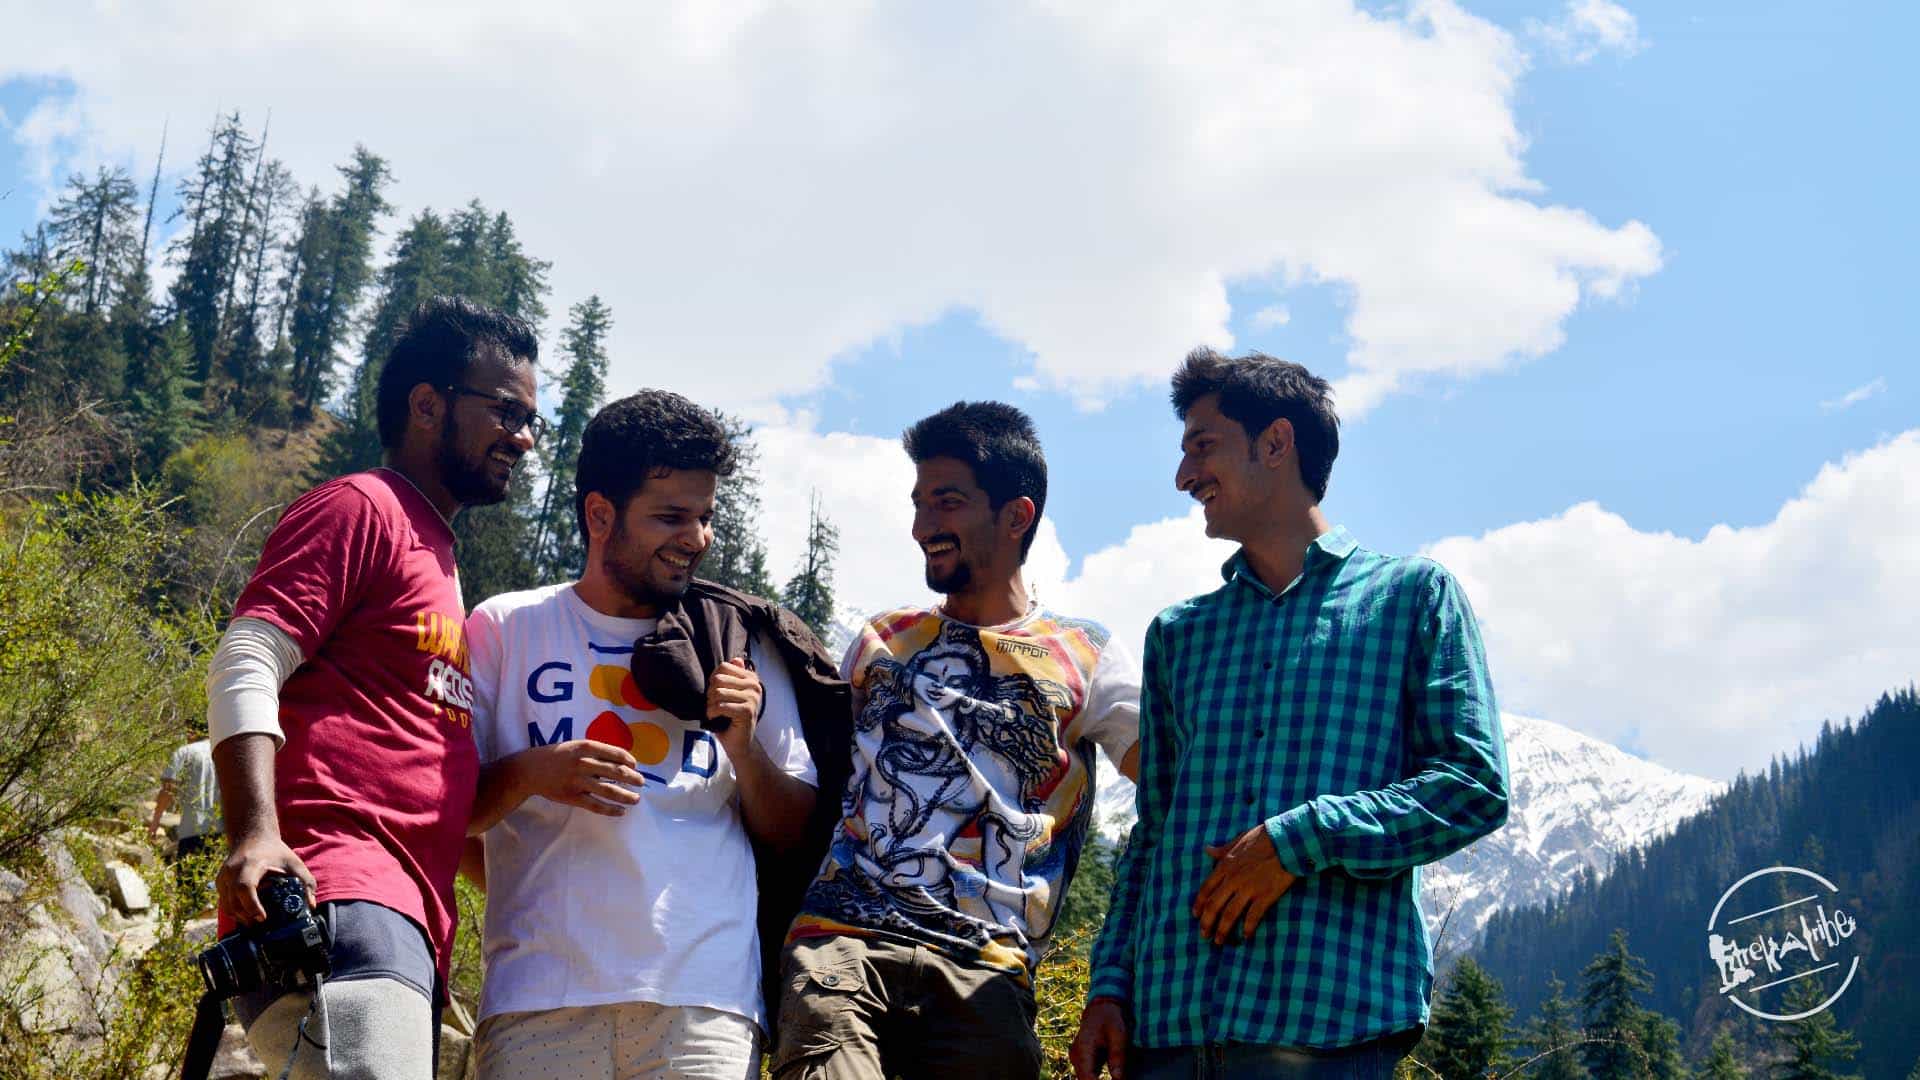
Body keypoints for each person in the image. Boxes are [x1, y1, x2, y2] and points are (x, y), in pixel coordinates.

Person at [1070, 349, 1510, 1080]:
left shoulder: (1411, 597)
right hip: (1164, 1036)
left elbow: (1473, 785)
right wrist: (1110, 987)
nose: (1183, 477)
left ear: (1276, 443)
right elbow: (1155, 833)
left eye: (1202, 447)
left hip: (1328, 1040)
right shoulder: (1179, 635)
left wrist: (1302, 837)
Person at [207, 296, 542, 1079]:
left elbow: (418, 779)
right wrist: (254, 832)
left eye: (534, 420)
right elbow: (247, 657)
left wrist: (529, 778)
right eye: (506, 411)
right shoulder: (364, 508)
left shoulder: (442, 562)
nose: (523, 438)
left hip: (405, 922)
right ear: (428, 406)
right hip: (337, 892)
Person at [462, 390, 824, 1080]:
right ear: (601, 514)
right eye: (671, 516)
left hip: (704, 1007)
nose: (697, 537)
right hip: (536, 1003)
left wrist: (743, 747)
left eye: (706, 516)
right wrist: (535, 773)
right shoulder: (507, 627)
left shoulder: (737, 640)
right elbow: (444, 812)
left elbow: (795, 834)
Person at [774, 401, 1141, 1080]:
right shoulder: (883, 638)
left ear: (1016, 515)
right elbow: (808, 777)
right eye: (918, 503)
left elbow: (1181, 781)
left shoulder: (1084, 653)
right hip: (843, 942)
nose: (923, 526)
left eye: (948, 502)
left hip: (988, 969)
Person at [149, 735, 220, 861]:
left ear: (191, 732)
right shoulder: (225, 750)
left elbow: (168, 790)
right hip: (224, 832)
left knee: (189, 877)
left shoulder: (185, 752)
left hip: (192, 830)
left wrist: (155, 823)